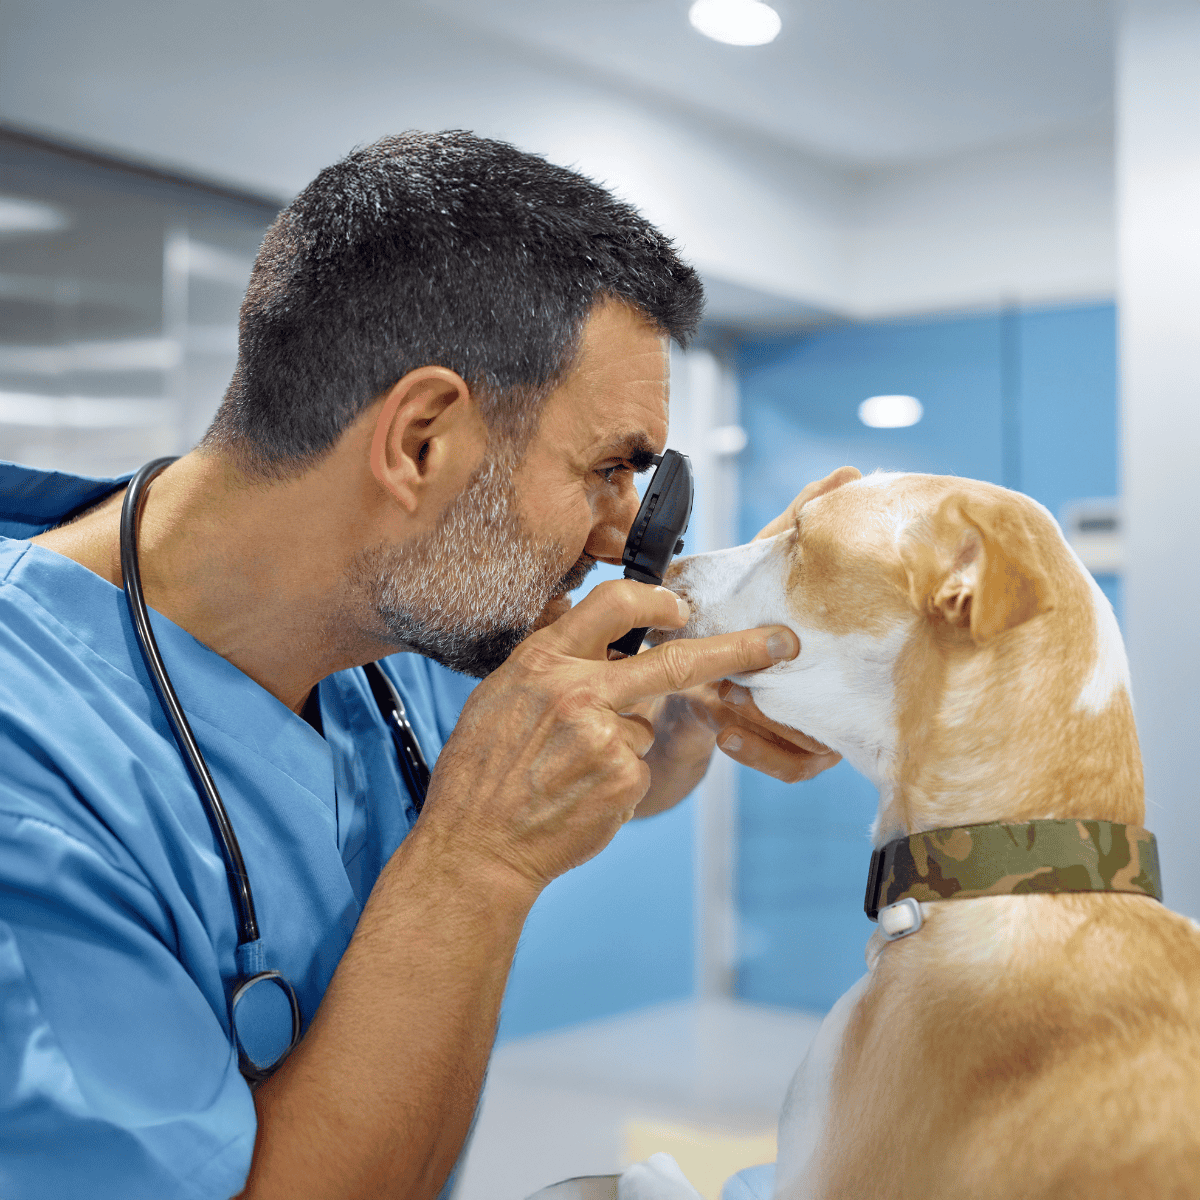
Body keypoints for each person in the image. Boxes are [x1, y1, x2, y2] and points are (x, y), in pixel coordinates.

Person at [0, 131, 839, 1200]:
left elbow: (604, 769)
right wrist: (475, 866)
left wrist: (698, 696)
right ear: (422, 442)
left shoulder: (392, 622)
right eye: (605, 470)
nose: (614, 533)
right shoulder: (26, 775)